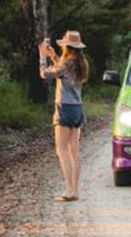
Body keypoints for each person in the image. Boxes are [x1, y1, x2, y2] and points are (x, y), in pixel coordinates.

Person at [38, 30, 89, 202]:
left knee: (61, 150)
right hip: (77, 109)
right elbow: (62, 72)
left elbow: (45, 74)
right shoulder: (80, 63)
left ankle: (69, 190)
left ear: (67, 47)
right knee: (74, 150)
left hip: (64, 108)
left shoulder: (67, 63)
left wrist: (42, 56)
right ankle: (75, 190)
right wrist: (53, 56)